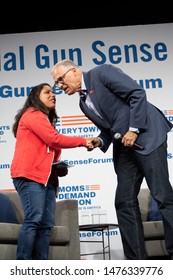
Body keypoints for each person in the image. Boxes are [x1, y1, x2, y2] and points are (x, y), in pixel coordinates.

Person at [51, 60, 173, 260]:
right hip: (125, 146)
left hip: (148, 135)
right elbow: (110, 128)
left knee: (162, 195)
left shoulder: (101, 73)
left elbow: (137, 94)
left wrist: (134, 130)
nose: (60, 86)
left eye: (60, 80)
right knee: (124, 202)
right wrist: (99, 141)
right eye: (57, 83)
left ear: (73, 71)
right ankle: (137, 263)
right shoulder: (83, 103)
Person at [10, 82, 95, 260]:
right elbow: (54, 139)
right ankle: (22, 266)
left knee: (46, 224)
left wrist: (58, 168)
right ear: (35, 98)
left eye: (54, 92)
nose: (53, 95)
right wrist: (82, 141)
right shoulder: (33, 114)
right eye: (47, 92)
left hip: (47, 179)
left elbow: (49, 151)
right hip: (29, 175)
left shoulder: (46, 121)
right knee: (34, 219)